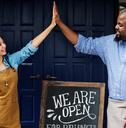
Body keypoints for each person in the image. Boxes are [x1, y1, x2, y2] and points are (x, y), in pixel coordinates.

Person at [53, 2, 126, 128]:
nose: (116, 27)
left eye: (120, 24)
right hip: (115, 107)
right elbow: (83, 44)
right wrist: (59, 22)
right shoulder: (108, 43)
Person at [0, 2, 56, 128]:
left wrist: (51, 25)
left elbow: (30, 48)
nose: (4, 46)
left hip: (11, 119)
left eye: (3, 43)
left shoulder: (11, 61)